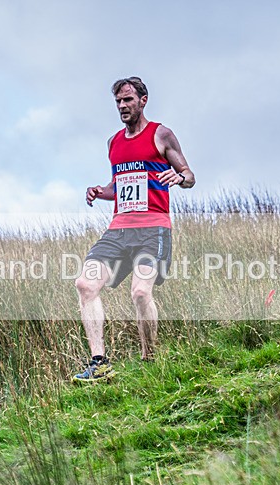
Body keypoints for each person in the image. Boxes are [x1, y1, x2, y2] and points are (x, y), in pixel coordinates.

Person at [72, 77, 195, 383]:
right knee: (85, 285)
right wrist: (101, 191)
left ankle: (150, 358)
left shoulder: (161, 134)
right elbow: (120, 183)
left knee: (140, 292)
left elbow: (189, 175)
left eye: (128, 100)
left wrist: (178, 178)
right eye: (118, 102)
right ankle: (99, 363)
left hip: (153, 228)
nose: (123, 106)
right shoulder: (113, 143)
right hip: (118, 230)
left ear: (143, 100)